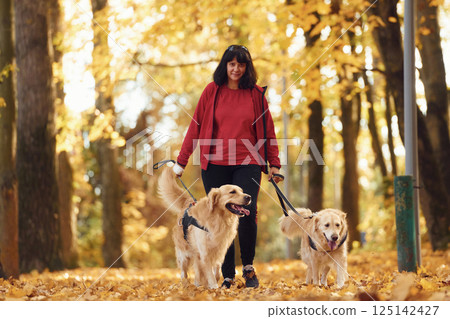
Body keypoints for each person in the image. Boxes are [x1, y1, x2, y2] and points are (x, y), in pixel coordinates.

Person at [173, 45, 282, 288]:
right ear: (225, 66)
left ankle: (249, 268)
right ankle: (228, 275)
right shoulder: (212, 91)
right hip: (215, 163)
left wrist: (274, 164)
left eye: (240, 64)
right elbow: (195, 127)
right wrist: (182, 160)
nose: (236, 69)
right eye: (231, 64)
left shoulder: (255, 94)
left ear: (247, 67)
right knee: (220, 216)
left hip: (248, 160)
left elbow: (269, 132)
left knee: (247, 212)